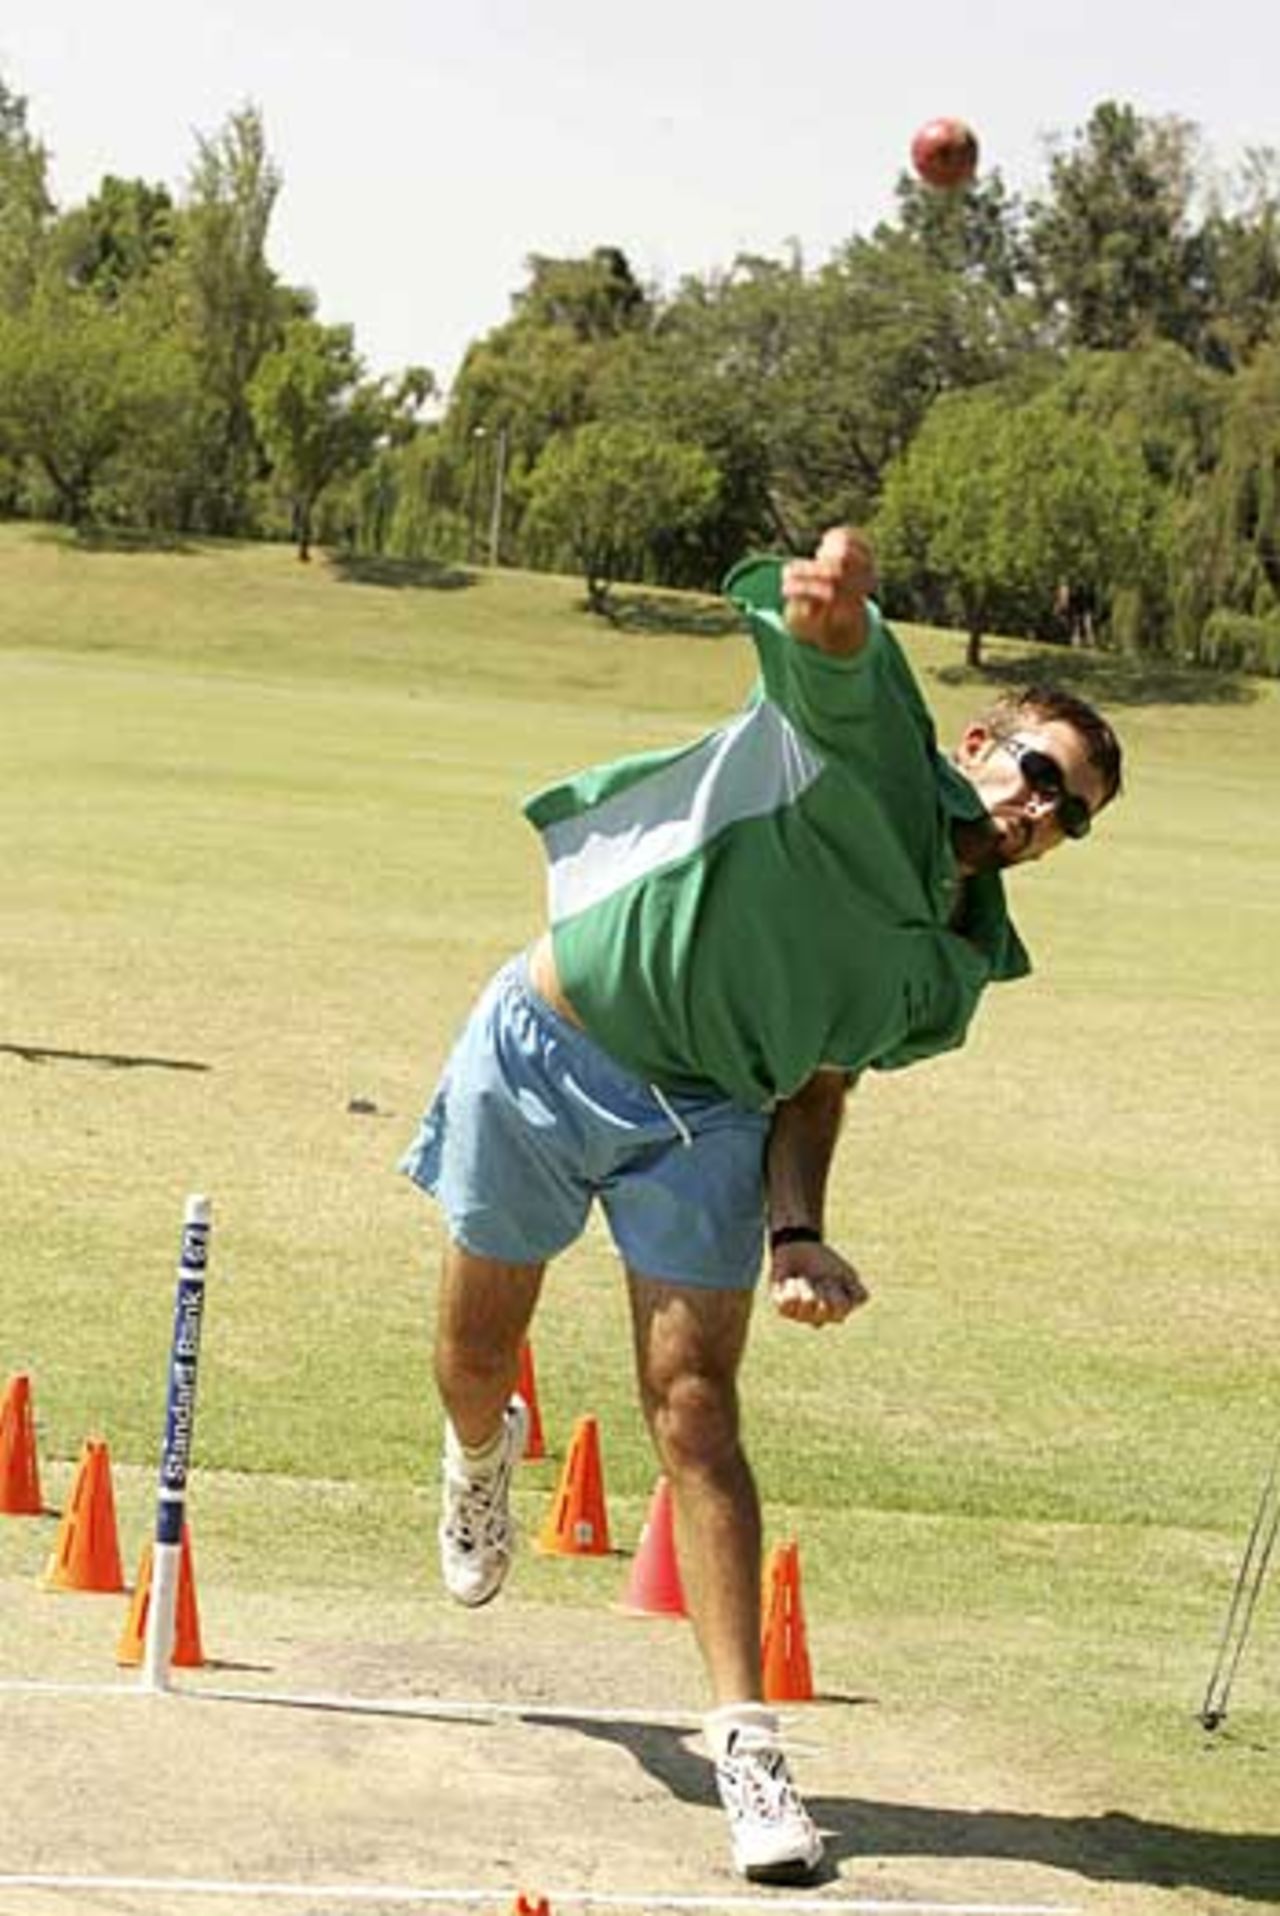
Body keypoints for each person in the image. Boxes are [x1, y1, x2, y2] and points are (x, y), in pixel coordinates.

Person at [399, 528, 1122, 1885]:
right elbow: (843, 671)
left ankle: (749, 1751)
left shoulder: (952, 974)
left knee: (697, 1408)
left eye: (1068, 814)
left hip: (709, 1117)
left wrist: (797, 1230)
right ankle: (479, 1459)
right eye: (1035, 774)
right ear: (979, 744)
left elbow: (817, 1083)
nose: (1038, 813)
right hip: (544, 1051)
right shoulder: (867, 760)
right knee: (477, 1358)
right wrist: (835, 616)